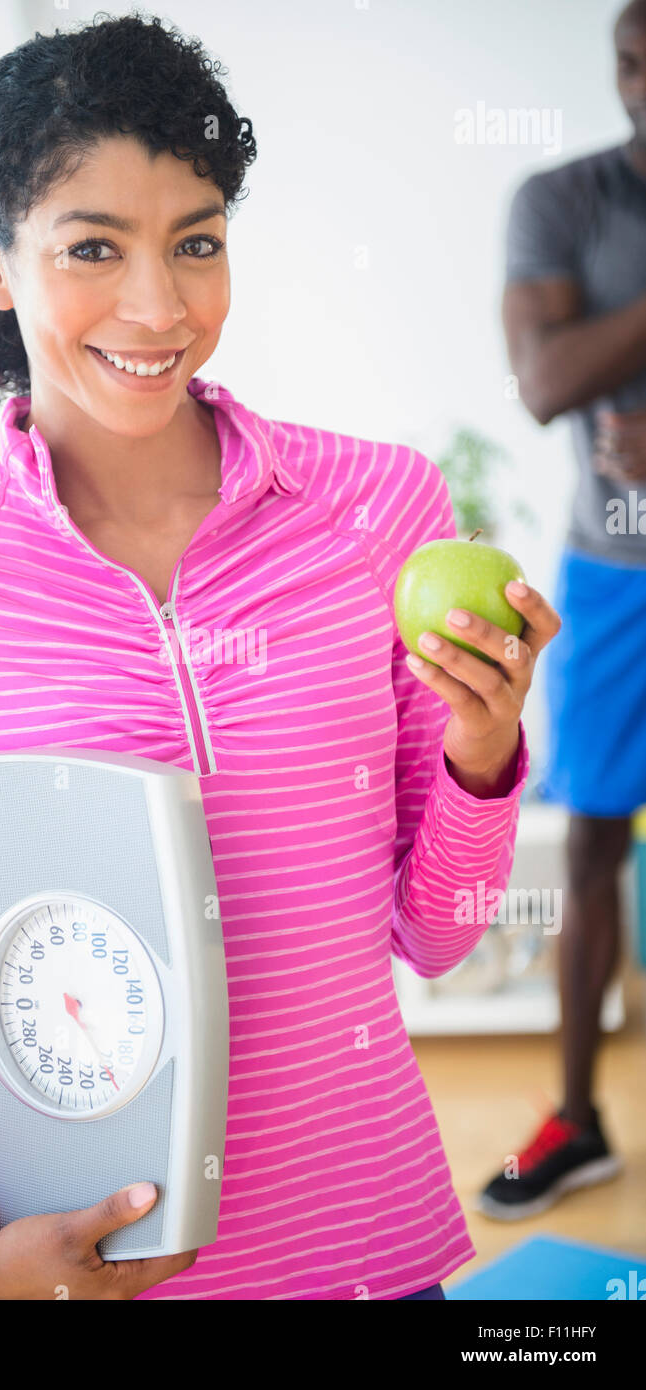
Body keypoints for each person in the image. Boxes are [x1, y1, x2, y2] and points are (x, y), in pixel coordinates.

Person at [0, 14, 559, 1301]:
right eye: (93, 248)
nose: (160, 305)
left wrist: (482, 753)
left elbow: (433, 937)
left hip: (371, 1254)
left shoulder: (374, 510)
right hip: (87, 1272)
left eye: (196, 242)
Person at [478, 0, 646, 1221]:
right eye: (630, 64)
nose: (641, 87)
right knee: (592, 839)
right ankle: (579, 1120)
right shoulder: (561, 201)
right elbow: (543, 383)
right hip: (611, 577)